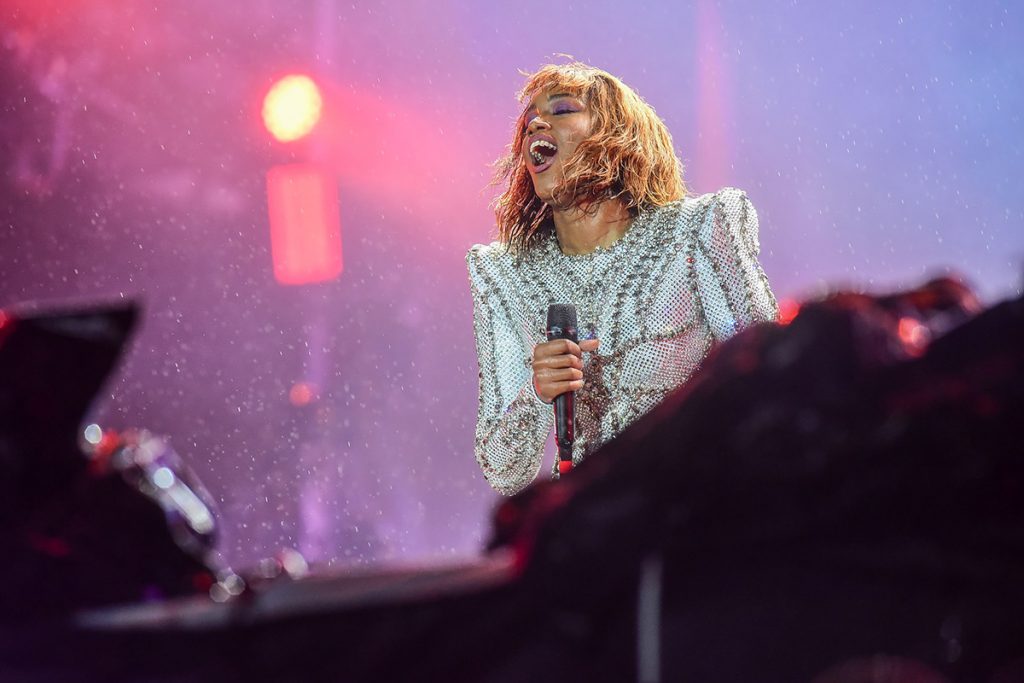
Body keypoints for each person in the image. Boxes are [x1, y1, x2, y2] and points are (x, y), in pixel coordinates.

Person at [467, 62, 778, 495]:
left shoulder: (697, 231)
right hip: (590, 531)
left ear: (616, 138)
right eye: (528, 121)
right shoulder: (505, 274)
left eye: (561, 110)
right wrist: (538, 394)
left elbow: (773, 380)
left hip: (696, 517)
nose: (535, 122)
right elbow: (503, 469)